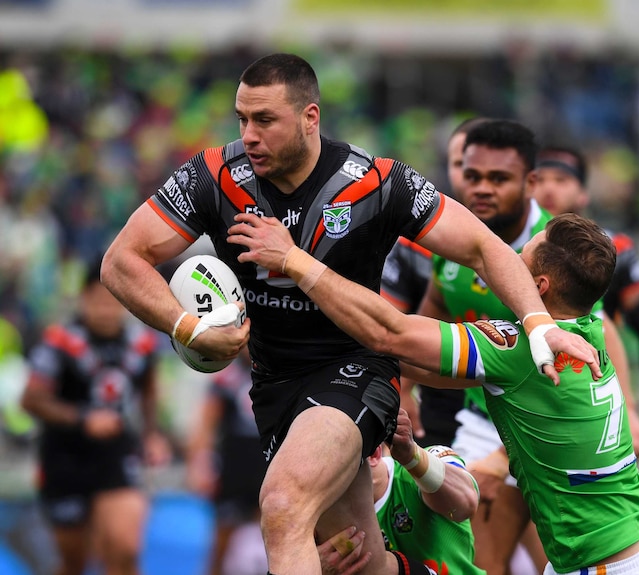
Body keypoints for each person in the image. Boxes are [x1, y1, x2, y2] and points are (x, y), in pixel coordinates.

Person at [100, 53, 601, 575]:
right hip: (274, 386)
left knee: (282, 504)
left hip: (356, 370)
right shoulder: (213, 176)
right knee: (358, 560)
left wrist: (539, 324)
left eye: (265, 120)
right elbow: (121, 261)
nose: (249, 135)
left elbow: (483, 246)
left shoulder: (376, 183)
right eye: (242, 119)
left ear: (310, 118)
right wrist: (186, 326)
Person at [273, 211, 639, 574]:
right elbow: (418, 364)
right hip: (638, 544)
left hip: (606, 564)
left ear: (539, 286)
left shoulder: (519, 350)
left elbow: (391, 334)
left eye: (520, 258)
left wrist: (294, 261)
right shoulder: (586, 324)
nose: (507, 265)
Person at [414, 119, 639, 574]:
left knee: (527, 551)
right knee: (507, 555)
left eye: (497, 179)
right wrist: (403, 387)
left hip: (536, 405)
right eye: (470, 174)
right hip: (487, 409)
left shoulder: (555, 244)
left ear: (530, 184)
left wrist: (632, 408)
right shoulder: (457, 237)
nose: (480, 188)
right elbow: (433, 310)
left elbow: (598, 333)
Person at [19, 259, 171, 575]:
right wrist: (82, 419)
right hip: (64, 458)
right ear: (83, 298)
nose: (106, 310)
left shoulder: (141, 345)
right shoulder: (57, 343)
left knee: (125, 549)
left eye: (112, 301)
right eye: (98, 300)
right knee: (75, 562)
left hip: (115, 455)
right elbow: (31, 400)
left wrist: (152, 435)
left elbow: (149, 393)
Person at [529, 144, 639, 449]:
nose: (548, 189)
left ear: (583, 194)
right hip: (524, 389)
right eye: (539, 180)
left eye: (560, 180)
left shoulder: (615, 250)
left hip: (594, 391)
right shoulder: (509, 248)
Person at [382, 116, 488, 448]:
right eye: (462, 164)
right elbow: (385, 326)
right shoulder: (412, 245)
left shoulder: (537, 246)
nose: (477, 180)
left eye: (491, 170)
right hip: (439, 399)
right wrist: (402, 388)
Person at [317, 408, 485, 575]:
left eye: (338, 463)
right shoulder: (315, 508)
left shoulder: (420, 470)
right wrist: (315, 566)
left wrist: (411, 456)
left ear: (374, 455)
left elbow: (466, 503)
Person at [185, 347, 267, 575]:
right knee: (221, 546)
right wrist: (200, 465)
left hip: (272, 471)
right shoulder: (227, 379)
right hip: (234, 473)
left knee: (277, 540)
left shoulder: (282, 376)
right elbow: (205, 426)